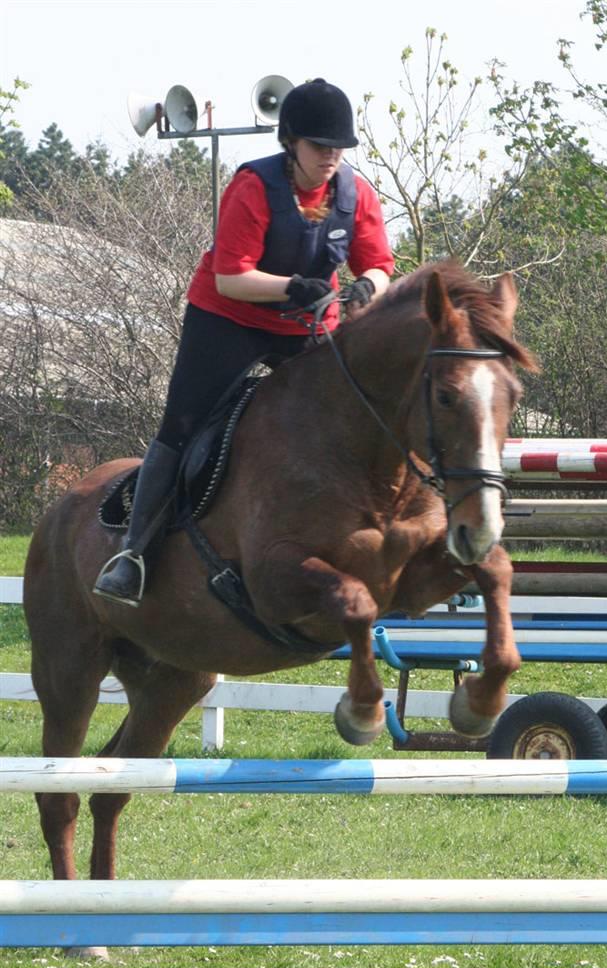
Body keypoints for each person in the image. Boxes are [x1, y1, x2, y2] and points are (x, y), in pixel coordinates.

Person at [93, 77, 394, 608]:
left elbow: (379, 262)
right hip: (227, 320)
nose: (331, 158)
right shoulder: (254, 187)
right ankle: (133, 555)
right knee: (182, 426)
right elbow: (232, 277)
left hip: (304, 325)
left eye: (339, 149)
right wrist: (291, 287)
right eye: (320, 147)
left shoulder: (355, 194)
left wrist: (369, 283)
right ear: (291, 142)